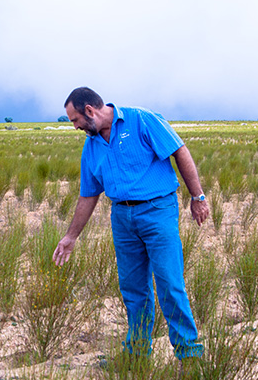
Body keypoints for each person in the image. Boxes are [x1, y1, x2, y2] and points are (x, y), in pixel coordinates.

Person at [53, 86, 207, 361]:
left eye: (75, 120)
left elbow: (179, 151)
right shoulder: (91, 146)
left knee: (169, 283)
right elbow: (88, 194)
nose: (75, 127)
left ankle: (189, 354)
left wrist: (197, 196)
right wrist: (71, 236)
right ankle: (137, 354)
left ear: (89, 110)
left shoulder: (142, 120)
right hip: (122, 218)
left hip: (157, 211)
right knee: (134, 289)